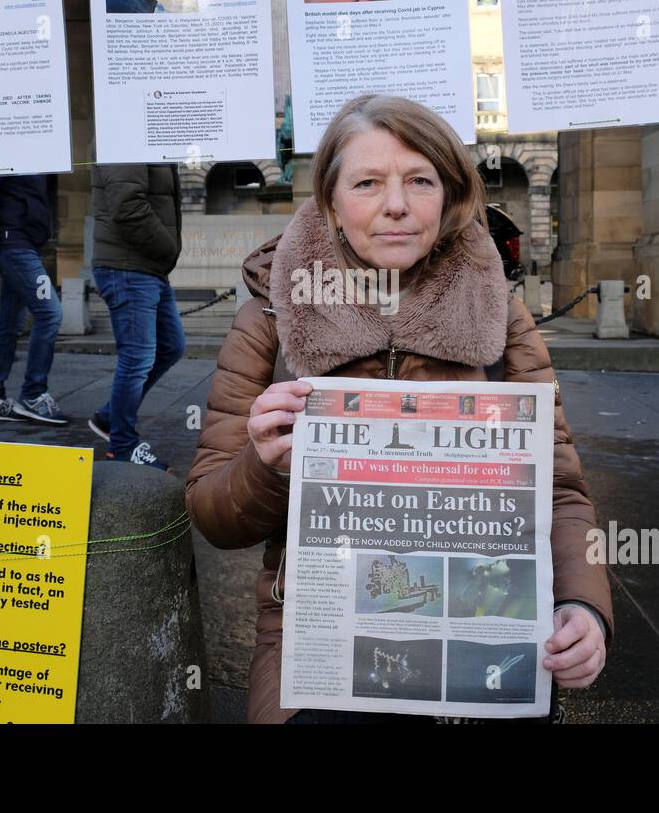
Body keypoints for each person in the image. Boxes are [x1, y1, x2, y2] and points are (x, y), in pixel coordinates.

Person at [185, 94, 612, 723]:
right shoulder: (270, 320)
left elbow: (562, 494)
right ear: (331, 202)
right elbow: (213, 515)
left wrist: (584, 606)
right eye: (367, 183)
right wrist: (264, 464)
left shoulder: (502, 316)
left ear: (449, 195)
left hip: (481, 644)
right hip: (317, 643)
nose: (396, 205)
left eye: (419, 180)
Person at [87, 164, 185, 468]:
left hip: (146, 265)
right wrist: (168, 249)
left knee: (172, 346)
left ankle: (110, 417)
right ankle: (123, 445)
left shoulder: (145, 131)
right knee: (137, 357)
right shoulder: (124, 128)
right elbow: (127, 205)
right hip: (127, 265)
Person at [0, 174, 68, 425]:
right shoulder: (9, 138)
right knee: (50, 312)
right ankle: (33, 394)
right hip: (13, 245)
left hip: (22, 243)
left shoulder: (33, 148)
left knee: (10, 323)